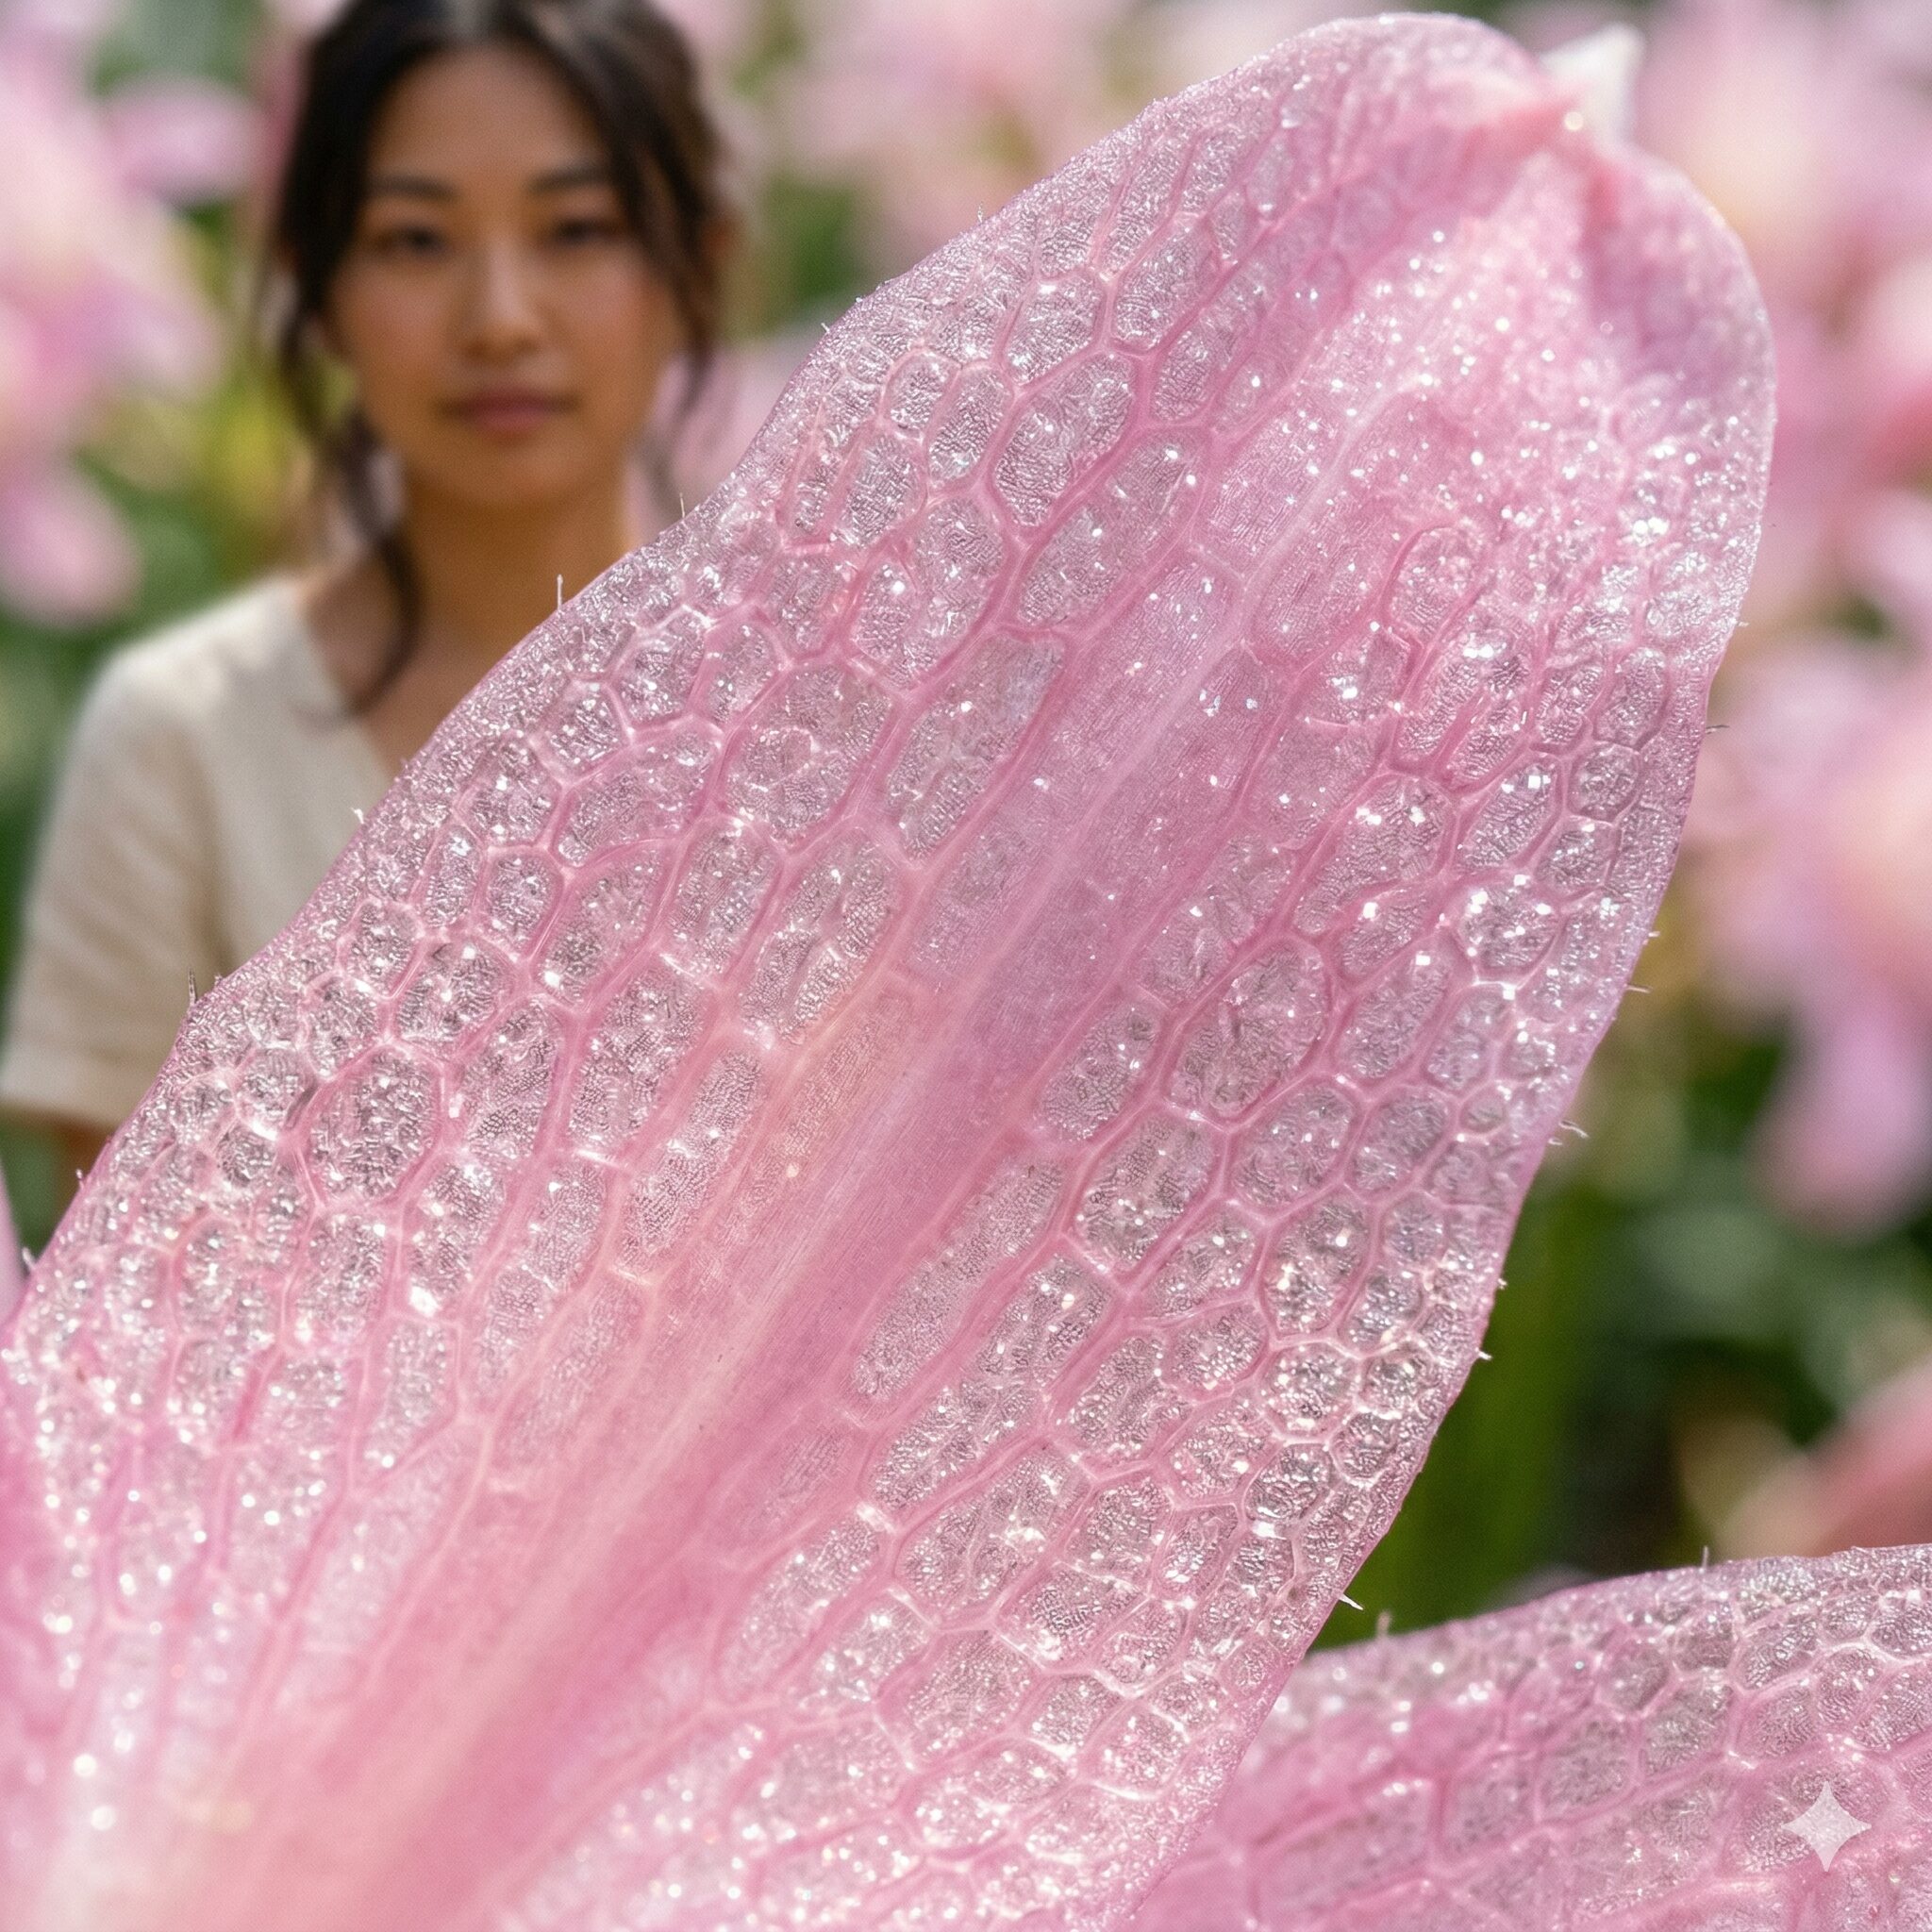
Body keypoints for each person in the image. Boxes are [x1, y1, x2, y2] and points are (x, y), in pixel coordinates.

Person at [0, 0, 734, 1185]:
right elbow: (113, 1270)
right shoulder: (176, 737)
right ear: (313, 281)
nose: (501, 318)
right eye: (414, 240)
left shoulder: (810, 708)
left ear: (699, 266)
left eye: (578, 229)